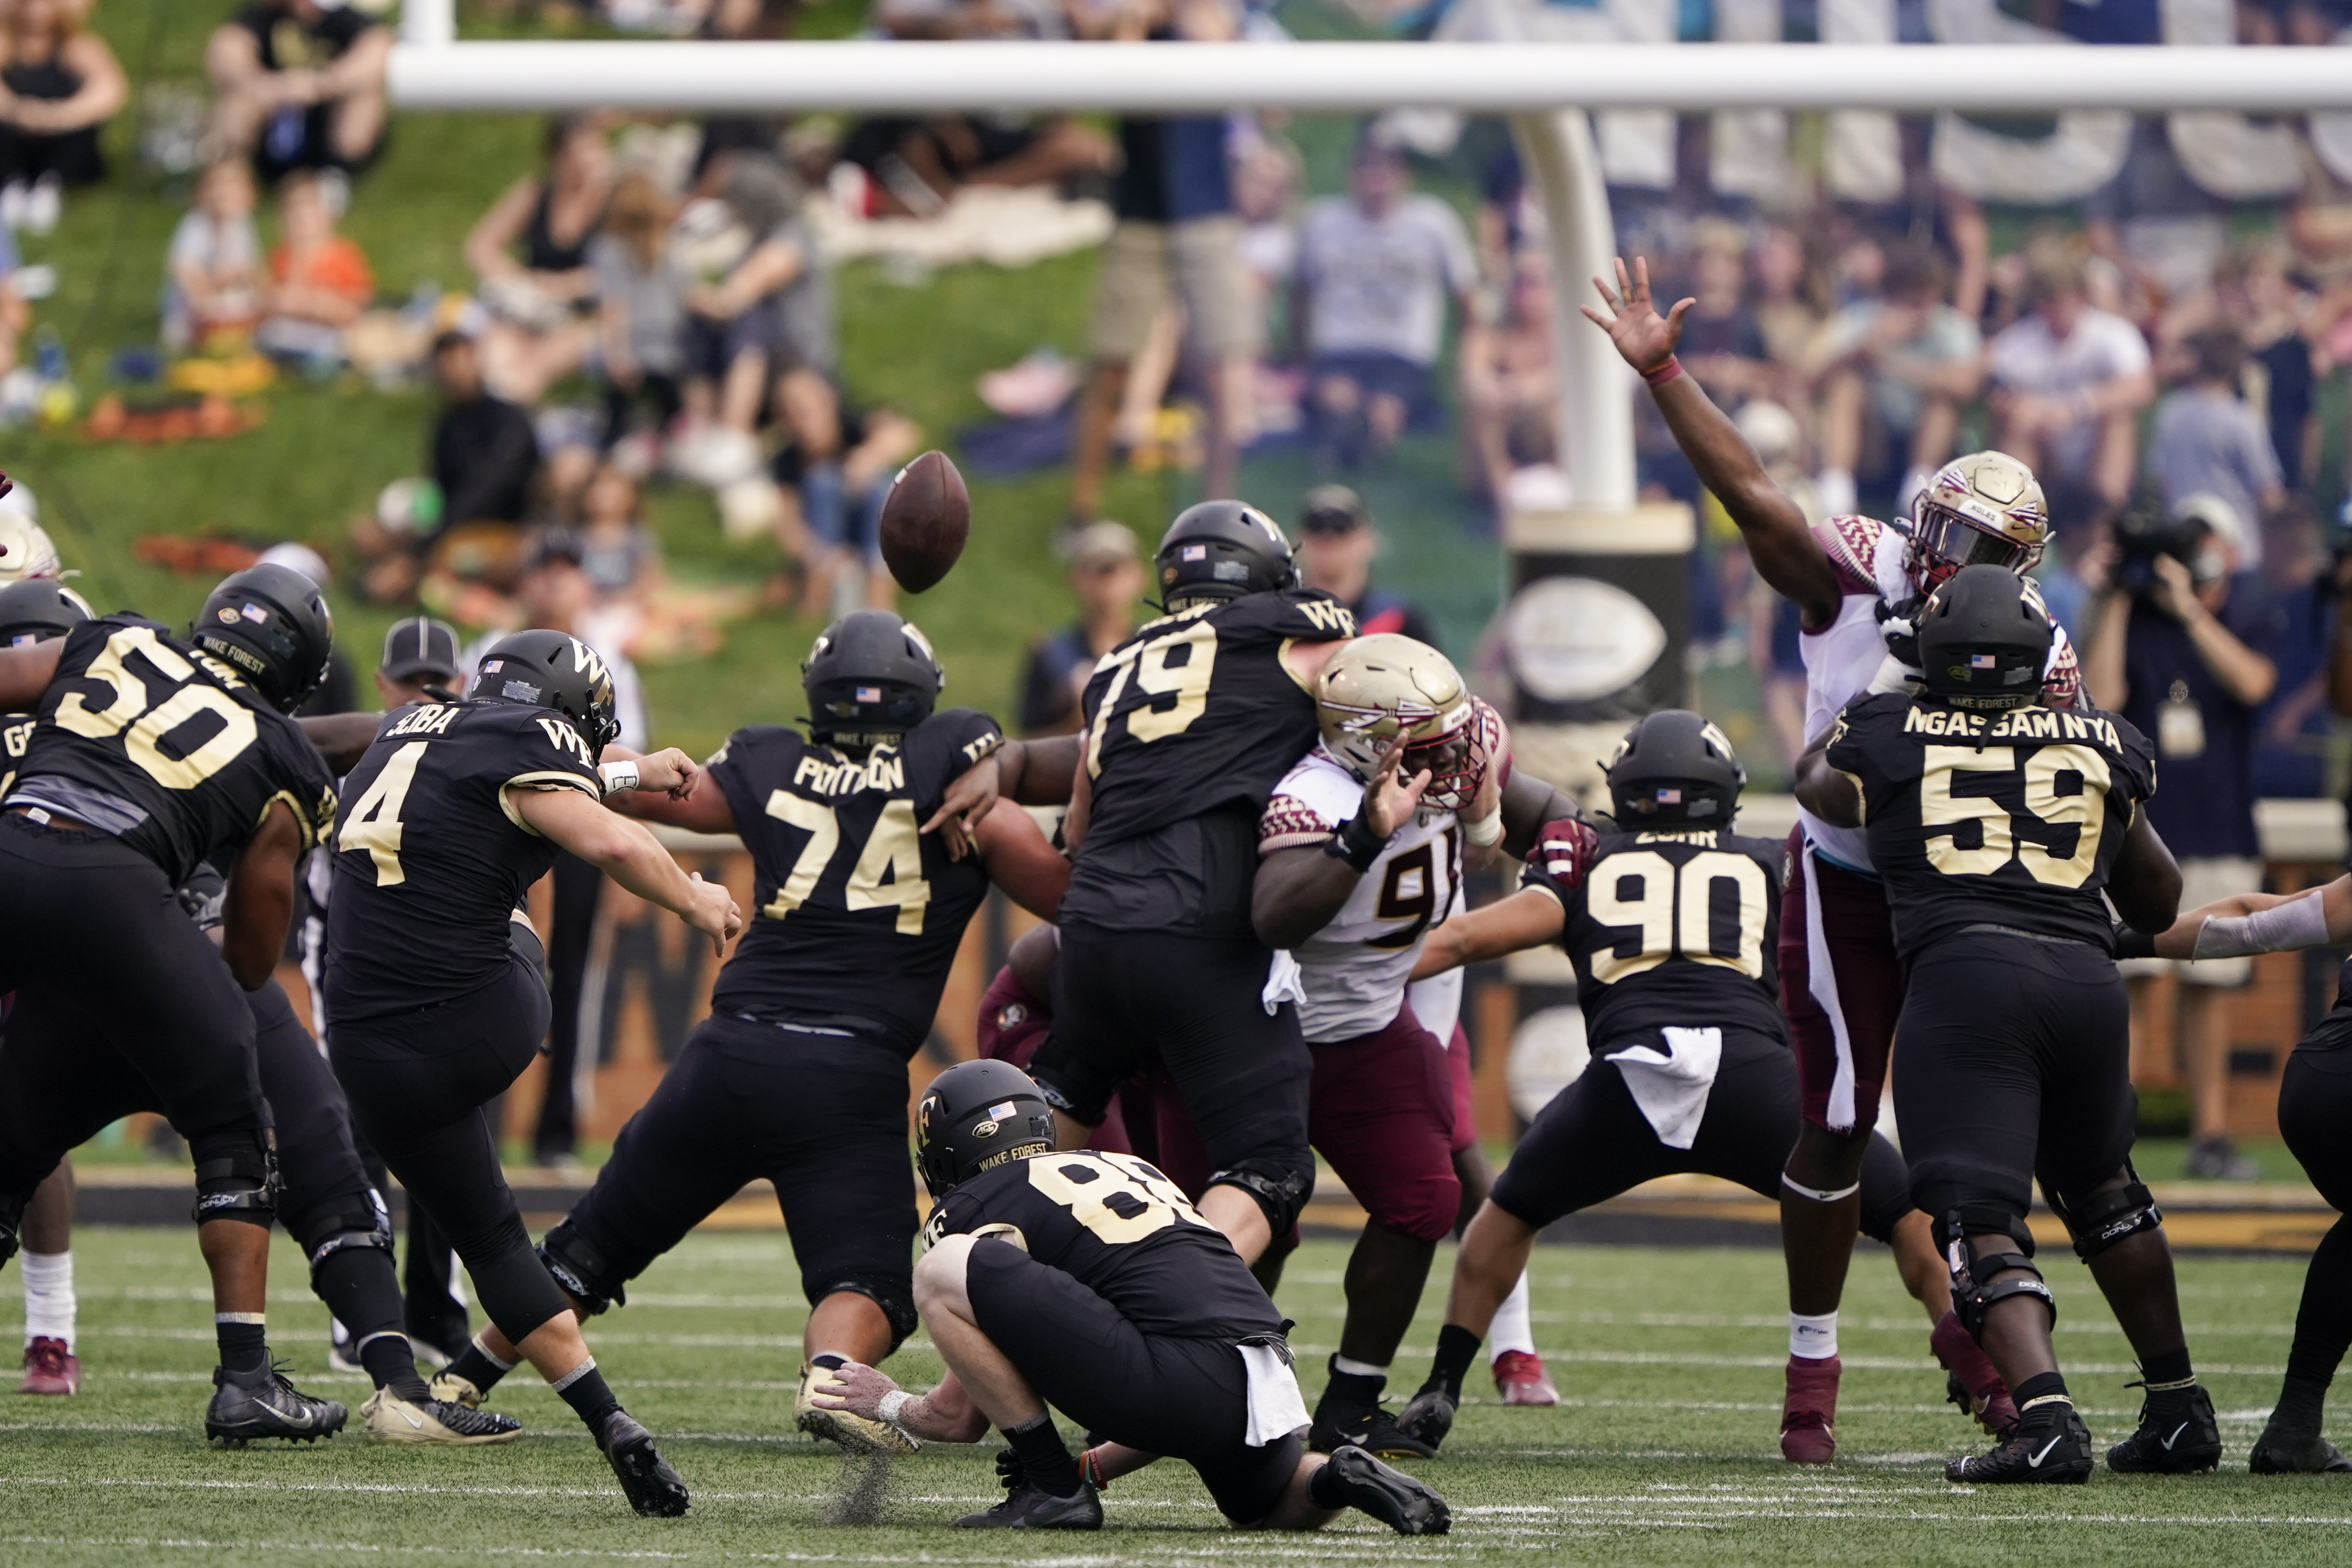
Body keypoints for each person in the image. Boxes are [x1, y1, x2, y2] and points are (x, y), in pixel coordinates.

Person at [1583, 254, 2069, 1462]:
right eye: (1953, 533)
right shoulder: (1863, 570)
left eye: (1988, 548)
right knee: (1842, 1120)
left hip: (1967, 896)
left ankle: (2008, 1365)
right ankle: (1812, 1373)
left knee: (1970, 1147)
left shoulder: (2038, 644)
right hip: (1850, 881)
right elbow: (1755, 495)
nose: (1962, 560)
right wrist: (1666, 376)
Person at [441, 613, 1066, 1454]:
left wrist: (589, 767)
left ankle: (459, 1380)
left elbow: (673, 795)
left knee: (592, 1247)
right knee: (869, 1282)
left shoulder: (771, 759)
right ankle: (832, 1373)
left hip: (730, 1053)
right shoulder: (961, 784)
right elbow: (1067, 893)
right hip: (849, 1070)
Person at [1397, 712, 1964, 1455]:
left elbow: (1471, 936)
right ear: (1724, 793)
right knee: (1902, 1212)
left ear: (1621, 789)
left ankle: (1438, 1390)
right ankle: (1981, 1368)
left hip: (1628, 1080)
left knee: (1501, 1217)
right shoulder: (1772, 861)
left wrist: (1352, 975)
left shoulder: (1585, 857)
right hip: (1753, 1077)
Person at [1799, 565, 2215, 1485]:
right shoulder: (2100, 736)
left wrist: (1890, 674)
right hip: (2085, 980)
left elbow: (1815, 786)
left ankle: (2048, 1417)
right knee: (2105, 1186)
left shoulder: (1892, 727)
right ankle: (2179, 1405)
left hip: (1966, 981)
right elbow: (2156, 897)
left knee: (1977, 1217)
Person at [322, 628, 740, 1513]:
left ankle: (609, 1418)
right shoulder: (531, 746)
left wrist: (634, 770)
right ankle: (609, 1417)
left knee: (496, 1243)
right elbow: (611, 841)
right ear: (563, 715)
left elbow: (530, 770)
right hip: (488, 1023)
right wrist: (698, 895)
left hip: (365, 1051)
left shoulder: (409, 726)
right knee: (509, 890)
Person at [801, 1058, 1452, 1536]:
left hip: (1169, 1370)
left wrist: (884, 1399)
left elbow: (959, 1416)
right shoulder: (1130, 1167)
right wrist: (1098, 1463)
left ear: (947, 1149)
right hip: (1264, 1375)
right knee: (1271, 1507)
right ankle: (1340, 1474)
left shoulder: (974, 1202)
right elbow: (1179, 1369)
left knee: (945, 1265)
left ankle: (1053, 1493)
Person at [0, 561, 346, 1441]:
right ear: (298, 668)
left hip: (12, 838)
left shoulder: (118, 635)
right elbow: (252, 956)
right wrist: (162, 979)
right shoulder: (287, 756)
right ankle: (247, 1380)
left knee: (12, 1131)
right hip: (117, 885)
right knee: (235, 1116)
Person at [1251, 634, 1570, 1457]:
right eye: (1437, 741)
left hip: (1369, 1024)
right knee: (1259, 1221)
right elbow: (1277, 914)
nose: (1462, 754)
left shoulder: (1453, 753)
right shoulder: (1315, 796)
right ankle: (1214, 1385)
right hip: (1264, 1031)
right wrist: (1362, 835)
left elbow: (1549, 817)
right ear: (1366, 742)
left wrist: (1588, 852)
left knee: (1425, 1197)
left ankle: (1351, 1401)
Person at [1025, 501, 1357, 1267]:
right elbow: (1390, 690)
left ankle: (972, 1323)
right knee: (1270, 1169)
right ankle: (1172, 1300)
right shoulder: (1306, 642)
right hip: (1199, 927)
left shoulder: (1111, 667)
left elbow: (1077, 826)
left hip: (1093, 932)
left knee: (1033, 1162)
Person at [2117, 870, 2352, 1471]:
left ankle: (2293, 1426)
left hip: (2317, 1086)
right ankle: (2292, 1426)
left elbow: (2256, 918)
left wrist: (2122, 939)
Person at [2083, 493, 2276, 1180]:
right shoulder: (2129, 616)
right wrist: (2111, 594)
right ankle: (2113, 1138)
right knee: (2127, 982)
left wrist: (2190, 608)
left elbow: (2254, 682)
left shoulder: (2240, 613)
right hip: (2138, 832)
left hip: (2218, 823)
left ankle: (2211, 1136)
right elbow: (2100, 697)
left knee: (2213, 987)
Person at [305, 616, 472, 1371]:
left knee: (453, 1127)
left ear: (463, 683)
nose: (426, 695)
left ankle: (438, 1304)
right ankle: (364, 1310)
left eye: (439, 681)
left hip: (441, 964)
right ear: (382, 687)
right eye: (413, 683)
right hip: (348, 958)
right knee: (357, 1131)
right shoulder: (346, 749)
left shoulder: (480, 747)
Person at [1066, 0, 1251, 521]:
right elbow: (1100, 68)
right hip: (1141, 211)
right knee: (1111, 362)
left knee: (1222, 368)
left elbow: (1239, 69)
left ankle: (1222, 508)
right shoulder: (1131, 19)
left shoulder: (1210, 18)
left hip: (1206, 210)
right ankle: (1081, 508)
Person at [1292, 139, 1481, 469]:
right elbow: (1301, 293)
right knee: (1338, 402)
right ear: (1352, 176)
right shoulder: (1323, 222)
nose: (1377, 183)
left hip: (1403, 351)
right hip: (1342, 347)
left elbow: (1465, 293)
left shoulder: (1433, 223)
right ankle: (1337, 446)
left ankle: (1367, 451)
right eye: (1368, 172)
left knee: (1383, 417)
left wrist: (1469, 354)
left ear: (1404, 177)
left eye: (1386, 173)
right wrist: (1300, 356)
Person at [356, 332, 542, 604]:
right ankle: (413, 575)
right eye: (445, 363)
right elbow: (439, 488)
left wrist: (432, 539)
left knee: (460, 557)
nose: (453, 371)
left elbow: (489, 487)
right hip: (446, 528)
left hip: (500, 531)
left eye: (460, 360)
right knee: (365, 533)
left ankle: (416, 580)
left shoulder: (509, 420)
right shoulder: (447, 426)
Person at [1808, 242, 1982, 520]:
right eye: (1913, 301)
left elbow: (1964, 385)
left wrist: (1890, 363)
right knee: (1846, 385)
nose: (1922, 311)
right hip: (1872, 444)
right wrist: (1863, 347)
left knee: (1942, 399)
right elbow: (1809, 372)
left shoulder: (1951, 328)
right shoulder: (1864, 319)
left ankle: (1916, 497)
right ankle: (1836, 496)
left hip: (1930, 443)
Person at [1985, 244, 2156, 522]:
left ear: (2080, 294)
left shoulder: (2112, 334)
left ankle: (2105, 522)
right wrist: (2018, 408)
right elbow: (1993, 391)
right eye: (2046, 300)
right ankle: (2014, 521)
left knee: (2118, 420)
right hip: (2046, 454)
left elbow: (2141, 387)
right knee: (2016, 426)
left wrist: (2077, 406)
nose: (2054, 309)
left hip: (2094, 445)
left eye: (2061, 298)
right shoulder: (2018, 342)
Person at [466, 117, 613, 404]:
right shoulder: (536, 194)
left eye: (592, 153)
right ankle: (495, 409)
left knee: (538, 362)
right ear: (556, 158)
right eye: (574, 157)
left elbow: (622, 271)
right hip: (530, 306)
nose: (584, 166)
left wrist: (562, 286)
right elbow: (480, 246)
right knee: (496, 353)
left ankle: (513, 415)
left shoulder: (612, 206)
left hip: (581, 314)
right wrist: (518, 278)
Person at [683, 156, 829, 443]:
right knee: (698, 328)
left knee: (750, 319)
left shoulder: (793, 238)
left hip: (797, 362)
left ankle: (733, 435)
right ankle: (701, 429)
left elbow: (736, 296)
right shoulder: (755, 244)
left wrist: (680, 290)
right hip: (768, 362)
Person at [771, 370, 918, 617]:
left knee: (883, 485)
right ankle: (818, 594)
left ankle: (879, 595)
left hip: (868, 529)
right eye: (790, 413)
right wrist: (817, 556)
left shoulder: (853, 427)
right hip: (825, 550)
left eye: (805, 410)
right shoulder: (787, 460)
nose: (800, 421)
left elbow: (902, 433)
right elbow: (788, 523)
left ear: (829, 401)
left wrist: (871, 456)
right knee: (821, 482)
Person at [207, 0, 391, 188]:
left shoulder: (350, 21)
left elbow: (377, 54)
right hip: (271, 115)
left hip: (325, 118)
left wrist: (320, 85)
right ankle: (232, 174)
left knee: (364, 97)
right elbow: (226, 49)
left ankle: (336, 176)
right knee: (237, 99)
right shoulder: (264, 16)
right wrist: (264, 85)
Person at [2148, 328, 2287, 546]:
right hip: (2235, 545)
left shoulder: (2170, 412)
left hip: (2181, 538)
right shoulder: (2242, 421)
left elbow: (2161, 481)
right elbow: (2268, 491)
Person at [0, 0, 127, 231]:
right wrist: (18, 111)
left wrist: (55, 117)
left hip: (60, 134)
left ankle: (49, 186)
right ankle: (12, 185)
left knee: (82, 133)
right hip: (16, 132)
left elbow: (109, 90)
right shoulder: (7, 44)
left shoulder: (77, 47)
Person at [1016, 521, 1145, 737]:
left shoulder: (1157, 647)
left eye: (1116, 570)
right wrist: (1075, 722)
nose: (1109, 583)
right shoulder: (1048, 654)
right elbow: (1027, 744)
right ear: (1076, 579)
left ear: (1138, 576)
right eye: (1100, 571)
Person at [591, 172, 688, 454]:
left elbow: (613, 306)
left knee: (621, 415)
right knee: (665, 408)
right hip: (662, 347)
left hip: (642, 347)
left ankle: (616, 450)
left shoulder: (609, 249)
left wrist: (617, 354)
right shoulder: (666, 248)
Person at [255, 168, 374, 369]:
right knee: (267, 333)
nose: (300, 218)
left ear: (327, 215)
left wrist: (318, 304)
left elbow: (359, 303)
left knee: (356, 338)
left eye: (308, 209)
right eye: (292, 211)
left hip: (332, 330)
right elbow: (268, 298)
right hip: (292, 330)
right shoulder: (282, 256)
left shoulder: (343, 254)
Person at [1293, 487, 1434, 647]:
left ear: (1367, 540)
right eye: (1317, 530)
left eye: (1341, 531)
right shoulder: (1281, 619)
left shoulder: (1400, 623)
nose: (1329, 541)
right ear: (1300, 540)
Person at [165, 160, 265, 353]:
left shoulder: (243, 225)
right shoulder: (194, 225)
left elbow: (251, 271)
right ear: (202, 193)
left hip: (225, 294)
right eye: (217, 185)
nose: (224, 193)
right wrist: (213, 286)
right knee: (193, 307)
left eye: (233, 185)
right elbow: (183, 270)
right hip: (196, 297)